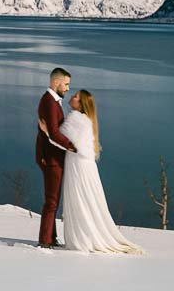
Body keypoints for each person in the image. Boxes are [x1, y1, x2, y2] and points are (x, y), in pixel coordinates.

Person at [58, 89, 145, 254]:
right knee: (88, 200)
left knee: (80, 200)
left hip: (78, 166)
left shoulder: (75, 118)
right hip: (85, 165)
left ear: (82, 104)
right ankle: (87, 237)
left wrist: (46, 131)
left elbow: (60, 138)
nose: (72, 97)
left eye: (76, 96)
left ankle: (81, 240)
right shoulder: (87, 120)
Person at [34, 67, 75, 248]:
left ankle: (51, 237)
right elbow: (53, 133)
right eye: (66, 84)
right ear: (55, 82)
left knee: (54, 200)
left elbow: (51, 131)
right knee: (51, 202)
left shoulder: (52, 100)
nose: (67, 88)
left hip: (52, 157)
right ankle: (44, 241)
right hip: (51, 159)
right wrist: (74, 147)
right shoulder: (50, 102)